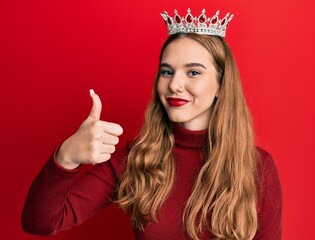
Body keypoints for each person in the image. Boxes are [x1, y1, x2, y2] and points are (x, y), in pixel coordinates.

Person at [22, 8, 282, 240]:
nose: (174, 84)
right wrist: (66, 157)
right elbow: (41, 223)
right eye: (167, 71)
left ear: (221, 85)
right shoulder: (135, 159)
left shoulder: (258, 168)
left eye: (193, 72)